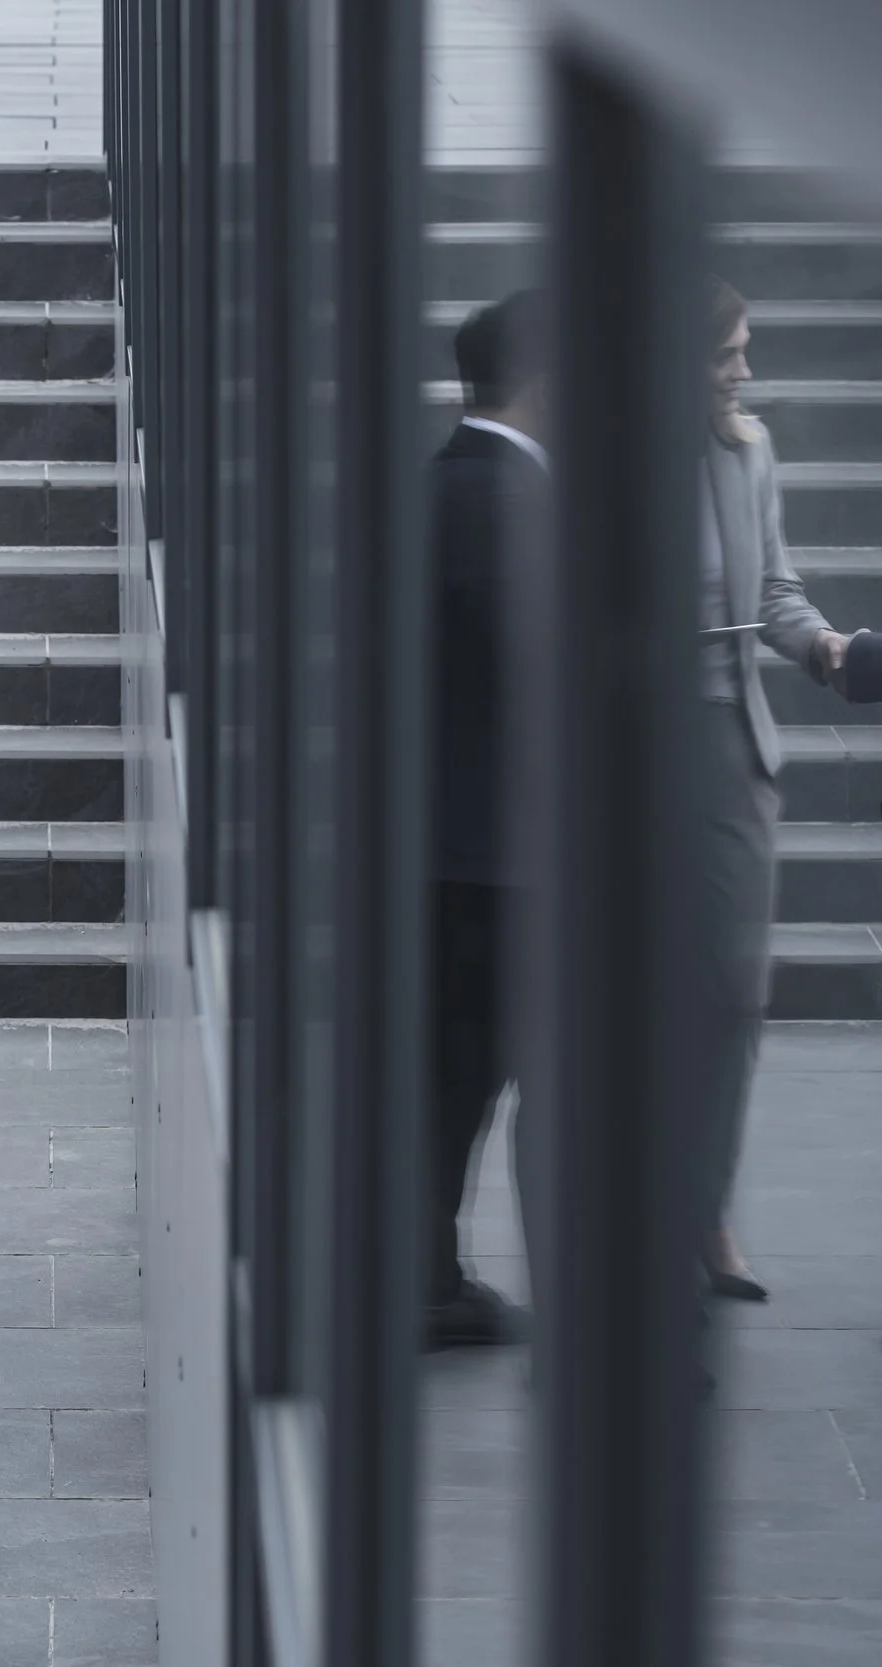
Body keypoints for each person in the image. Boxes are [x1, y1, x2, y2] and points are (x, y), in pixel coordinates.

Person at [696, 276, 850, 1302]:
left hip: (726, 751)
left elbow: (775, 591)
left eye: (744, 348)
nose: (745, 371)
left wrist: (825, 645)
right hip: (612, 756)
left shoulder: (747, 450)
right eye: (726, 353)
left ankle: (704, 1211)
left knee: (730, 1002)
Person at [424, 291, 547, 1350]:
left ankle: (425, 1270)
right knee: (473, 1068)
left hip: (461, 837)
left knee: (456, 1068)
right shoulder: (497, 496)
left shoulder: (457, 479)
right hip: (493, 847)